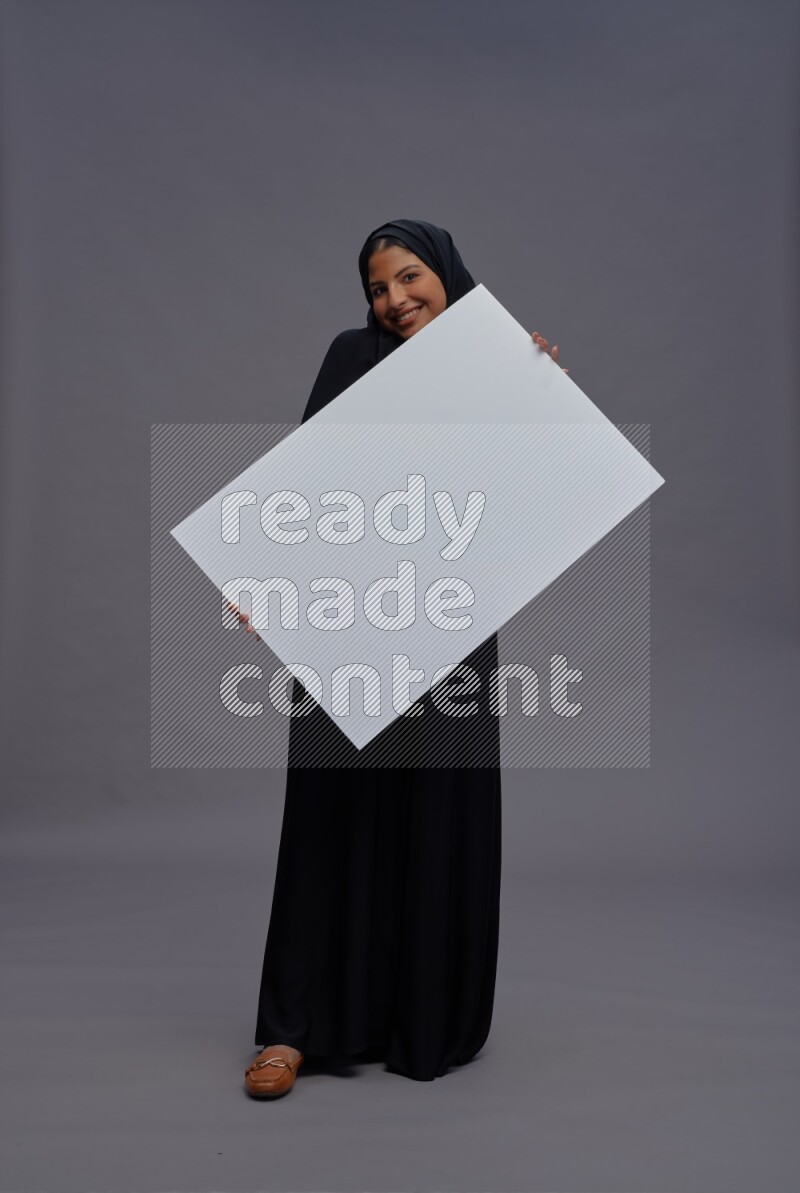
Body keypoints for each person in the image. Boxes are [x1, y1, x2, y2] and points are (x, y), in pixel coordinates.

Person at [243, 220, 564, 1098]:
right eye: (378, 288)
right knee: (327, 810)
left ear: (448, 275)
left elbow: (527, 500)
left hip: (451, 620)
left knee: (433, 806)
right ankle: (288, 1031)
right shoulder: (352, 356)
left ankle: (422, 1018)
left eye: (409, 277)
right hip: (346, 612)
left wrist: (541, 395)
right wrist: (262, 576)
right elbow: (300, 482)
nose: (394, 299)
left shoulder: (502, 370)